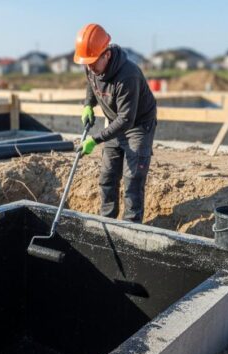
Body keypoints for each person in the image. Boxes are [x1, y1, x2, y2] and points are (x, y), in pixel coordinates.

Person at [74, 23, 157, 223]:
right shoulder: (91, 66)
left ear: (107, 55)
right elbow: (91, 84)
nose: (90, 68)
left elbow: (126, 120)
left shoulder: (128, 75)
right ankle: (107, 222)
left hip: (137, 125)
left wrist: (95, 139)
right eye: (87, 64)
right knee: (108, 177)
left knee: (132, 180)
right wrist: (88, 105)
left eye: (93, 63)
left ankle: (130, 226)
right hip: (115, 122)